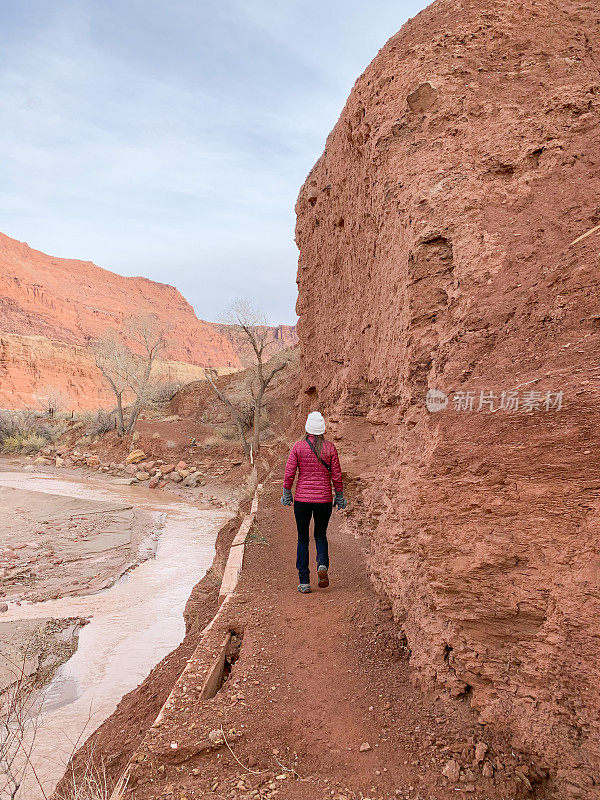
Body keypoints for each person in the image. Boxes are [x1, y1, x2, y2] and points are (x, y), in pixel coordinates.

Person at [281, 411, 347, 593]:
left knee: (302, 538)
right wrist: (339, 496)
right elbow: (337, 475)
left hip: (302, 500)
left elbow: (289, 473)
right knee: (320, 535)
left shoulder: (298, 447)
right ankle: (322, 565)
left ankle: (304, 582)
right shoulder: (330, 448)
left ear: (307, 428)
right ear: (322, 430)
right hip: (324, 500)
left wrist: (287, 493)